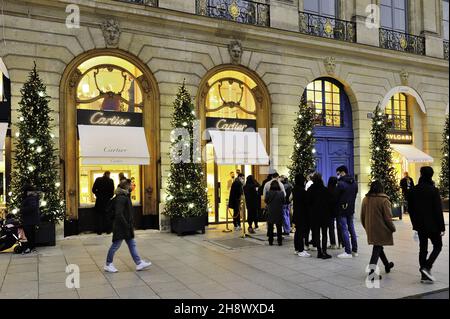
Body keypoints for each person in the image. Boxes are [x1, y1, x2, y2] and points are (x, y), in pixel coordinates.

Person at [104, 179, 151, 273]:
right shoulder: (121, 198)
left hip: (125, 226)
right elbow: (118, 213)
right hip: (121, 227)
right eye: (131, 185)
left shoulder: (124, 196)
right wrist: (126, 225)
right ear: (126, 187)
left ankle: (139, 263)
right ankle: (108, 264)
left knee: (132, 244)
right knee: (115, 245)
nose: (132, 187)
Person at [407, 166, 445, 284]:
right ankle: (427, 267)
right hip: (433, 225)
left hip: (420, 225)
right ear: (431, 175)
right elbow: (438, 210)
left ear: (421, 174)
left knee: (423, 249)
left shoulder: (413, 190)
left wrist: (415, 224)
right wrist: (442, 227)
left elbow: (411, 210)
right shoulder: (433, 190)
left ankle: (424, 276)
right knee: (438, 246)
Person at [361, 181, 396, 282]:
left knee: (378, 246)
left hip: (371, 229)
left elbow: (362, 216)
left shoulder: (365, 199)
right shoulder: (384, 200)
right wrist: (392, 228)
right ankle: (371, 273)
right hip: (381, 229)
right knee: (377, 248)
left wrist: (366, 227)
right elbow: (388, 218)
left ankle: (387, 265)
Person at [306, 173, 332, 259]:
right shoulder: (325, 189)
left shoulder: (310, 190)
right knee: (324, 233)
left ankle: (319, 251)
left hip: (314, 215)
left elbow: (308, 203)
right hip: (324, 215)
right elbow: (329, 202)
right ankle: (324, 252)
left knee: (316, 233)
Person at [335, 165, 359, 259]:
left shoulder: (340, 183)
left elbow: (336, 196)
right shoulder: (354, 183)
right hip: (351, 209)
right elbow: (355, 195)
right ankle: (355, 250)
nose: (338, 175)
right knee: (351, 228)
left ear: (342, 172)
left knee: (344, 229)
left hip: (342, 209)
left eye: (338, 173)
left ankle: (347, 251)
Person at [292, 174, 310, 257]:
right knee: (300, 232)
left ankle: (297, 249)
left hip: (296, 213)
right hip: (302, 213)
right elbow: (306, 202)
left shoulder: (295, 189)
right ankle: (301, 250)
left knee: (297, 231)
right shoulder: (302, 190)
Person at [20, 184, 40, 254]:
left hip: (29, 219)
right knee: (31, 233)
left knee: (29, 234)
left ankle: (31, 247)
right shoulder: (32, 196)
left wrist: (22, 210)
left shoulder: (31, 197)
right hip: (31, 218)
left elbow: (33, 207)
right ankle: (32, 247)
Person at [265, 180, 285, 246]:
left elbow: (266, 201)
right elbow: (283, 201)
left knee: (270, 227)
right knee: (279, 227)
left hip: (270, 211)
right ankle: (280, 241)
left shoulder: (268, 193)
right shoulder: (281, 193)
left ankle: (270, 241)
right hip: (279, 211)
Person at [327, 176, 342, 250]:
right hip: (338, 210)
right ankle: (341, 243)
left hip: (329, 211)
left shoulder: (327, 190)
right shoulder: (338, 190)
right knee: (339, 227)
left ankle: (333, 244)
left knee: (331, 228)